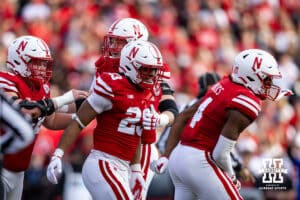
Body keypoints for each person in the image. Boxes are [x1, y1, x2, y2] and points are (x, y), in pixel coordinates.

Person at [150, 49, 292, 199]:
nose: (269, 84)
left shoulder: (224, 85)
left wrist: (167, 156)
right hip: (199, 160)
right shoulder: (248, 101)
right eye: (266, 79)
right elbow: (220, 154)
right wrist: (231, 176)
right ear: (251, 76)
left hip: (179, 157)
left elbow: (183, 117)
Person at [46, 40, 165, 199]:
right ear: (129, 65)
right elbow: (79, 122)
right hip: (103, 163)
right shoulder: (112, 86)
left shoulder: (146, 94)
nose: (151, 75)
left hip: (123, 167)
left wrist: (136, 169)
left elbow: (134, 132)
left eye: (154, 70)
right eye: (146, 69)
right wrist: (58, 154)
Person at [91, 17, 178, 199]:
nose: (113, 46)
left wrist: (161, 118)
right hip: (111, 148)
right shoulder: (106, 67)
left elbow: (171, 109)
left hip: (141, 146)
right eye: (112, 41)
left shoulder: (149, 70)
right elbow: (88, 105)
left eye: (119, 42)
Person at [0, 35, 89, 200]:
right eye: (36, 62)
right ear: (19, 60)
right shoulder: (6, 80)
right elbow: (24, 109)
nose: (41, 67)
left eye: (43, 62)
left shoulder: (40, 87)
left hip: (18, 169)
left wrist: (85, 115)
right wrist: (65, 98)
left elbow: (52, 120)